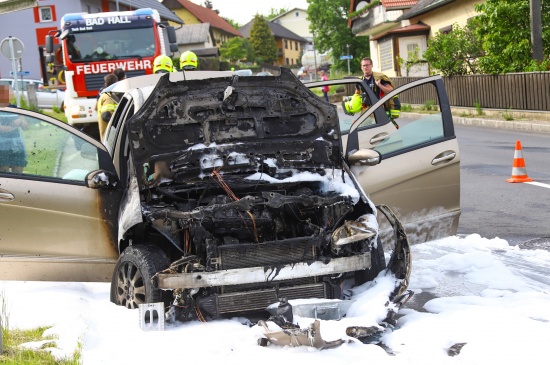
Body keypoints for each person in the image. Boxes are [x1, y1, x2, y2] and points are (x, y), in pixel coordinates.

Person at [0, 85, 28, 173]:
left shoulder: (15, 108)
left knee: (19, 171)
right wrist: (16, 124)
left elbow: (26, 126)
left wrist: (21, 121)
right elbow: (2, 129)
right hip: (2, 146)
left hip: (17, 145)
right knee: (4, 171)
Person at [96, 74, 119, 141]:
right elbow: (106, 115)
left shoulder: (108, 95)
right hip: (109, 137)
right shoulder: (108, 97)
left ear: (106, 84)